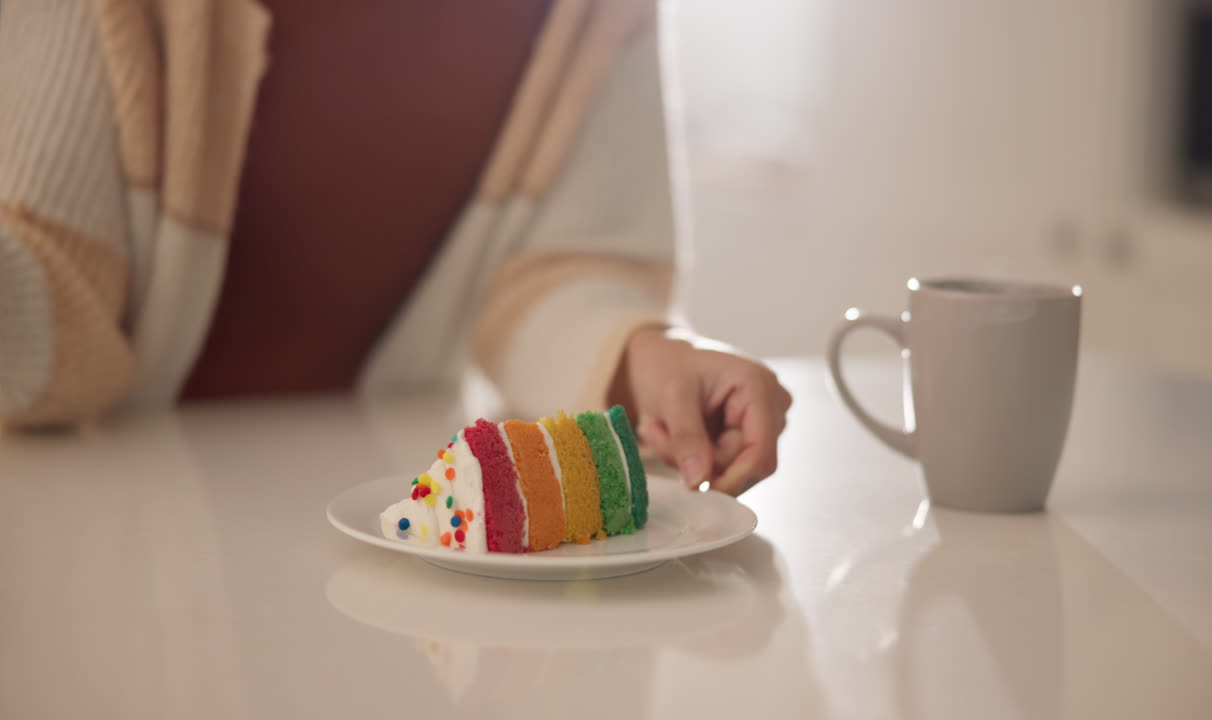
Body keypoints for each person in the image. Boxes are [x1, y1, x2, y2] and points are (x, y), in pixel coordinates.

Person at [0, 0, 790, 495]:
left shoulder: (591, 14)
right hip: (97, 543)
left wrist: (643, 356)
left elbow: (555, 274)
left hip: (398, 541)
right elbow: (61, 292)